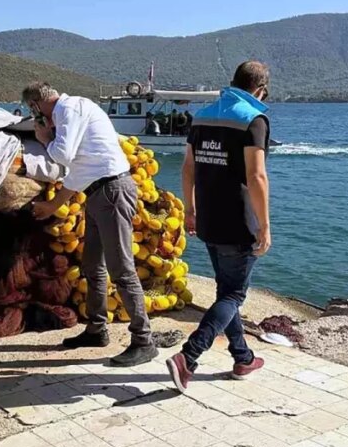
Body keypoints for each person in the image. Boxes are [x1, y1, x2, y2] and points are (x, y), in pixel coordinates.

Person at [22, 82, 156, 366]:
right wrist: (54, 205)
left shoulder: (69, 110)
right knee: (93, 265)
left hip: (112, 191)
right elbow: (79, 173)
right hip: (98, 193)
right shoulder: (73, 111)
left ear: (36, 105)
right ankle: (97, 329)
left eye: (32, 110)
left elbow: (63, 155)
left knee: (121, 269)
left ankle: (144, 341)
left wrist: (44, 138)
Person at [166, 60, 272, 392]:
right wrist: (265, 225)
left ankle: (243, 357)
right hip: (239, 221)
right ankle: (188, 356)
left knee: (226, 292)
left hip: (209, 218)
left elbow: (188, 168)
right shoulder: (253, 119)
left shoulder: (203, 115)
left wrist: (190, 209)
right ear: (260, 90)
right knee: (234, 294)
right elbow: (256, 176)